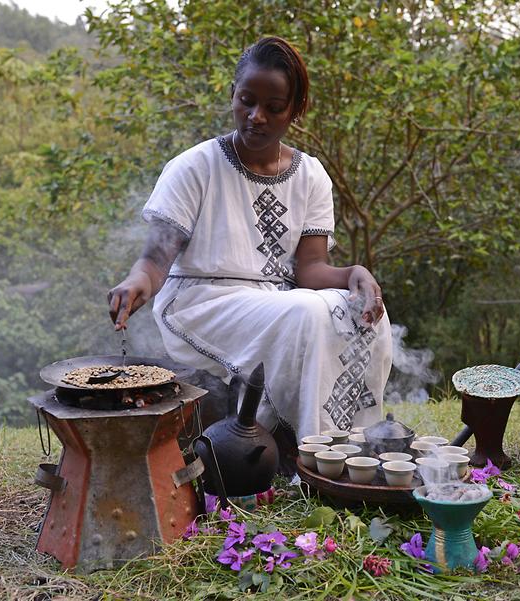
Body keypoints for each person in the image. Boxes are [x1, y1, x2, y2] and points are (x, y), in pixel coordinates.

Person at [107, 36, 392, 444]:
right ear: (233, 96)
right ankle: (315, 453)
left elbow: (309, 270)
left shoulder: (310, 175)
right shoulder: (195, 167)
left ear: (295, 111)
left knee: (362, 310)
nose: (256, 116)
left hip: (280, 300)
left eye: (273, 108)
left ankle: (353, 447)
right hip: (202, 302)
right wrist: (139, 282)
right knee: (308, 314)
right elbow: (156, 258)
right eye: (247, 101)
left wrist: (355, 274)